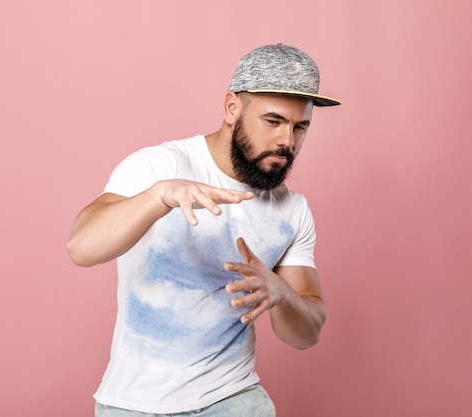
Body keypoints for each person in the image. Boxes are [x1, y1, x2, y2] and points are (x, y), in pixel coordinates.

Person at [67, 43, 340, 417]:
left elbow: (307, 333)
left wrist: (281, 294)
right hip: (134, 404)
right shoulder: (159, 166)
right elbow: (81, 247)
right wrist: (160, 196)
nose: (287, 142)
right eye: (273, 121)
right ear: (232, 108)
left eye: (300, 127)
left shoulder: (291, 210)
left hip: (235, 399)